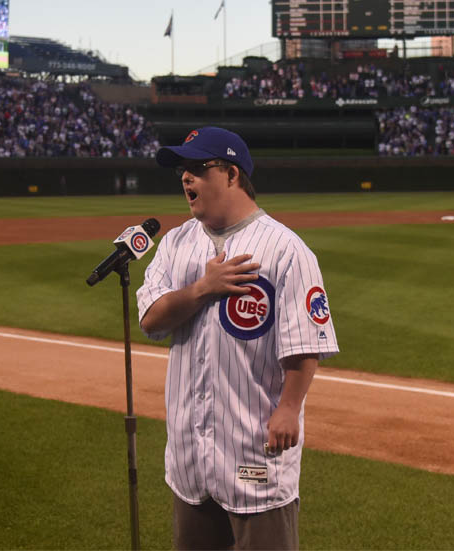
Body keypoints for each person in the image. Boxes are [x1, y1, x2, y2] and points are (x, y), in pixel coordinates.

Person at [136, 127, 339, 550]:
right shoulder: (174, 245)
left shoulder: (286, 250)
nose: (185, 178)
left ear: (230, 174)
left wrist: (289, 408)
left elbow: (305, 341)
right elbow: (151, 320)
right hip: (190, 457)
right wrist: (201, 289)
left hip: (254, 450)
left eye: (196, 168)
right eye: (181, 171)